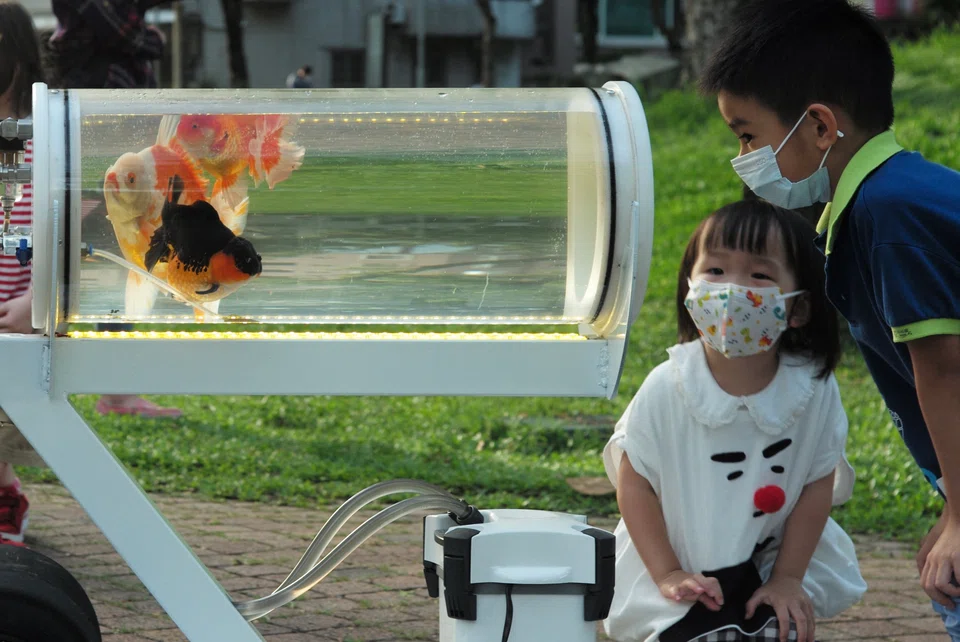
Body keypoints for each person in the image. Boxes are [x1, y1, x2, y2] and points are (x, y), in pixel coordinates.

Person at [699, 0, 960, 636]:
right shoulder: (891, 198)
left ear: (819, 127)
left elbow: (947, 370)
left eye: (748, 134)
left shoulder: (889, 215)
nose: (745, 156)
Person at [602, 200, 866, 642]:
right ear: (690, 289)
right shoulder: (668, 384)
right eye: (716, 272)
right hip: (672, 562)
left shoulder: (814, 388)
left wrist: (787, 578)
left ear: (797, 308)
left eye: (759, 276)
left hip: (769, 563)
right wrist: (667, 573)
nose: (732, 293)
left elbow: (816, 482)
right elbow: (635, 483)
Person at [47, 0, 180, 418]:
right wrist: (148, 41)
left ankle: (118, 390)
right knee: (99, 259)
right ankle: (112, 390)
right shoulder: (98, 36)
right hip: (99, 136)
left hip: (106, 134)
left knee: (123, 262)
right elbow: (126, 33)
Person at [0, 0, 50, 546]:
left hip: (19, 314)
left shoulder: (42, 137)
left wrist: (39, 301)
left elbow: (79, 228)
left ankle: (5, 495)